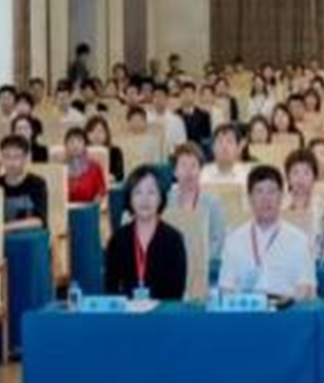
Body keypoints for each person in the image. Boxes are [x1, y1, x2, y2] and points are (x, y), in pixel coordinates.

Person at [217, 165, 316, 300]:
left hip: (285, 311)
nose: (266, 198)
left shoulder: (299, 240)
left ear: (282, 196)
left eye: (271, 191)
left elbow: (307, 289)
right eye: (259, 191)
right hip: (245, 310)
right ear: (250, 198)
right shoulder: (234, 240)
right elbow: (225, 288)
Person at [103, 171, 188, 300]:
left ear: (160, 198)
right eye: (138, 192)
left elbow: (177, 291)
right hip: (126, 310)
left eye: (151, 192)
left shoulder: (174, 240)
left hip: (163, 310)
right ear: (130, 199)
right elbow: (110, 288)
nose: (145, 199)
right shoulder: (117, 240)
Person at [164, 142, 226, 259]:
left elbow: (217, 241)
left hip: (204, 262)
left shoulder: (213, 203)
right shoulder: (165, 201)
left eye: (193, 166)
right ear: (175, 172)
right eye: (183, 165)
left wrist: (200, 260)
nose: (189, 171)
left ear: (200, 170)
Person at [284, 149, 324, 262]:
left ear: (315, 177)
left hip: (318, 266)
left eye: (306, 172)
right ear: (288, 177)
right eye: (295, 172)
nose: (300, 178)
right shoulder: (278, 208)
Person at [0, 134, 49, 229]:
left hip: (30, 235)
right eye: (7, 156)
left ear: (26, 158)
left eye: (17, 157)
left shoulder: (37, 184)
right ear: (1, 158)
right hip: (2, 236)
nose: (11, 162)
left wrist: (5, 228)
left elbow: (39, 221)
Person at [60, 126, 107, 204]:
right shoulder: (60, 169)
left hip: (88, 208)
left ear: (85, 145)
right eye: (71, 141)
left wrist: (96, 201)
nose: (75, 145)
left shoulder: (94, 167)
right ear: (66, 146)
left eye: (79, 141)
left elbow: (101, 191)